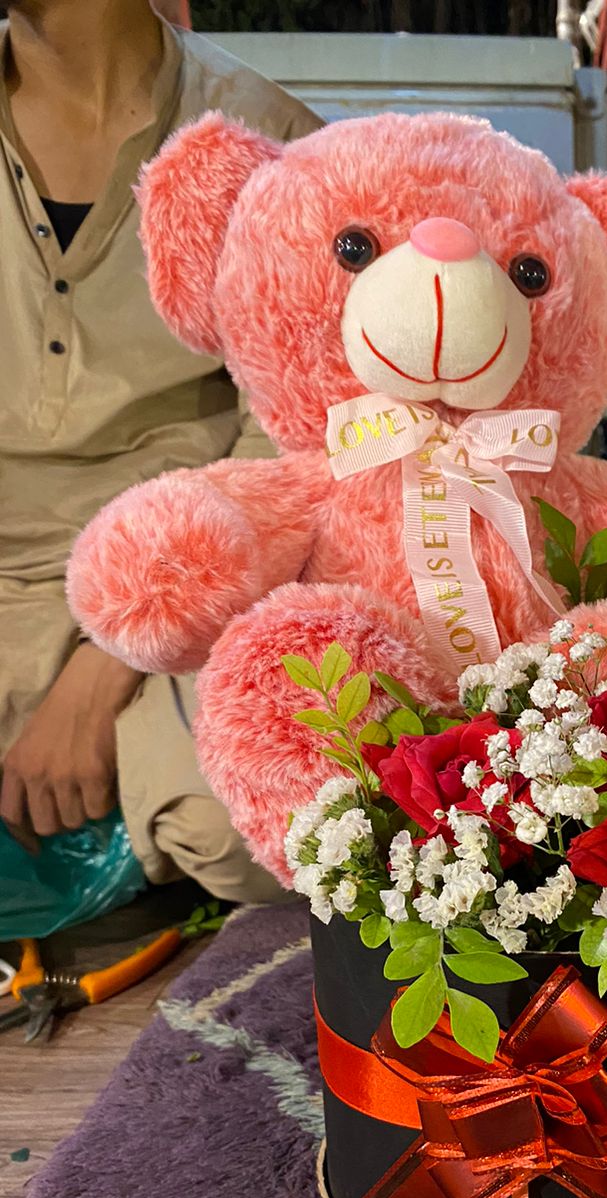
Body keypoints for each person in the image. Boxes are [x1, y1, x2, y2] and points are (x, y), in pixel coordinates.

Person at [0, 0, 322, 901]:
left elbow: (294, 439)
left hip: (184, 590)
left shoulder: (268, 142)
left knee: (245, 827)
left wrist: (108, 662)